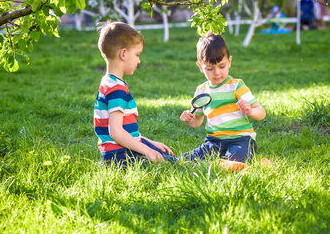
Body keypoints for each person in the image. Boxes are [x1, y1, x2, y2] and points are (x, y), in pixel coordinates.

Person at [180, 32, 266, 167]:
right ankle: (220, 163)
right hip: (214, 141)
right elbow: (197, 122)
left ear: (229, 62)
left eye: (222, 66)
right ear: (200, 67)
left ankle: (227, 164)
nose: (217, 73)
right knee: (187, 159)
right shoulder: (201, 91)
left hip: (241, 139)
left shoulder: (236, 86)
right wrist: (189, 119)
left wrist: (250, 111)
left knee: (236, 158)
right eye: (210, 68)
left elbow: (261, 112)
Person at [94, 21, 175, 167]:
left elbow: (125, 131)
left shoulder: (108, 82)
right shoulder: (116, 89)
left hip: (117, 153)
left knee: (163, 154)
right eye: (137, 54)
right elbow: (116, 132)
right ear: (124, 54)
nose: (139, 60)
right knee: (172, 164)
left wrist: (151, 143)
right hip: (120, 156)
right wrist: (149, 151)